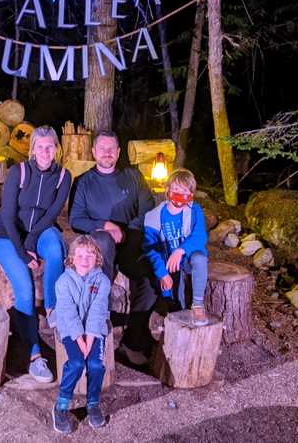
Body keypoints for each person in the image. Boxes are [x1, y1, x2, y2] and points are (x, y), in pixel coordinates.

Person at [0, 126, 72, 383]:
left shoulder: (63, 176)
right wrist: (22, 252)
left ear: (56, 148)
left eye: (50, 146)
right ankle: (34, 355)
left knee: (56, 249)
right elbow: (7, 214)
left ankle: (52, 307)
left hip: (40, 231)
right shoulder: (19, 172)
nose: (46, 151)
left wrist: (33, 240)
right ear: (32, 149)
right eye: (40, 146)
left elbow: (52, 214)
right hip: (8, 235)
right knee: (25, 289)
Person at [69, 131, 157, 366]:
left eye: (111, 149)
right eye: (102, 149)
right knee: (105, 240)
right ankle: (97, 315)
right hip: (99, 250)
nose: (107, 153)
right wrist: (104, 226)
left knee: (149, 282)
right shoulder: (83, 181)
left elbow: (148, 210)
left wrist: (126, 232)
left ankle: (131, 342)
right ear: (93, 152)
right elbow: (76, 218)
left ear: (118, 153)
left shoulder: (133, 176)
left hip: (130, 245)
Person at [52, 235, 110, 433]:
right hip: (71, 329)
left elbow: (98, 310)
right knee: (76, 363)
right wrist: (80, 340)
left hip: (95, 329)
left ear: (97, 258)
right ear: (72, 258)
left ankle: (93, 402)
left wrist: (90, 339)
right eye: (80, 255)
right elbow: (67, 312)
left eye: (90, 255)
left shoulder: (102, 281)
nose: (85, 259)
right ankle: (61, 405)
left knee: (95, 364)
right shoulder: (63, 282)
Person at [143, 168, 210, 326]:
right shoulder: (153, 217)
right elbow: (151, 249)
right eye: (176, 188)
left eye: (185, 190)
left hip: (188, 258)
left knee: (200, 257)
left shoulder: (194, 210)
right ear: (167, 190)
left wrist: (180, 250)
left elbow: (200, 236)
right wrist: (162, 273)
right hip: (168, 262)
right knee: (175, 303)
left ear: (191, 194)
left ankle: (198, 304)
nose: (180, 193)